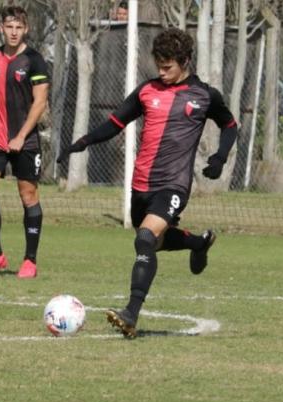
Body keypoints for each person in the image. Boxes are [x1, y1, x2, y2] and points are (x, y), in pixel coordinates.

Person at [58, 28, 238, 339]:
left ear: (185, 61)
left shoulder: (205, 96)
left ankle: (131, 313)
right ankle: (198, 242)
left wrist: (220, 157)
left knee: (143, 239)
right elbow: (115, 123)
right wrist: (83, 142)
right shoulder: (146, 91)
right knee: (153, 241)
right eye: (158, 65)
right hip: (141, 185)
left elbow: (231, 126)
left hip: (174, 186)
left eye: (167, 67)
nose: (161, 72)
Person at [0, 6, 49, 278]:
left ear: (25, 29)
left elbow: (40, 102)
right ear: (1, 28)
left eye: (19, 27)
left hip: (24, 140)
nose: (14, 32)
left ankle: (30, 260)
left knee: (27, 195)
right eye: (9, 27)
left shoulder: (34, 60)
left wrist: (20, 136)